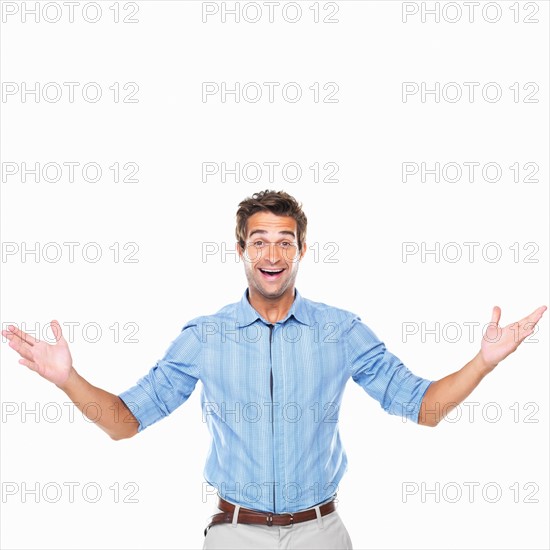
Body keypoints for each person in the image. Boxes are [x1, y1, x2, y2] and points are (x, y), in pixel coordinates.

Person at [3, 190, 546, 550]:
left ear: (301, 250)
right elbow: (125, 422)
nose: (272, 252)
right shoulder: (205, 335)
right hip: (235, 533)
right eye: (259, 241)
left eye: (285, 241)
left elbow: (423, 407)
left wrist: (483, 362)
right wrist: (67, 378)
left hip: (322, 530)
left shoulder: (341, 329)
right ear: (241, 250)